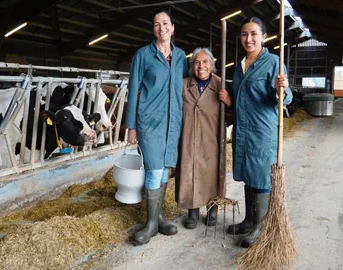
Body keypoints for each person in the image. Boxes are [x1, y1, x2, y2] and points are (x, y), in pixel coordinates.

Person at [218, 17, 292, 248]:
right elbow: (241, 98)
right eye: (244, 34)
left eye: (253, 34)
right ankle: (249, 219)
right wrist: (230, 100)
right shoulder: (240, 65)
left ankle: (260, 226)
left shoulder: (273, 62)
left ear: (264, 37)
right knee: (248, 173)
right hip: (242, 130)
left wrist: (283, 89)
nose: (248, 39)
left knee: (260, 175)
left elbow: (284, 99)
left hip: (262, 130)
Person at [125, 9, 188, 246]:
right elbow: (133, 91)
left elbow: (186, 85)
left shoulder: (181, 56)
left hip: (173, 122)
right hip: (149, 121)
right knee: (153, 169)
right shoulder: (143, 55)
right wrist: (131, 126)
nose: (161, 28)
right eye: (156, 25)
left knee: (163, 170)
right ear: (153, 30)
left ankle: (159, 217)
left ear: (173, 28)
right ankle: (150, 224)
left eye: (165, 24)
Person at [175, 48, 228, 229]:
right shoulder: (183, 85)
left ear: (212, 65)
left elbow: (235, 110)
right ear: (192, 66)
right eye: (197, 62)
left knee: (212, 173)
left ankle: (212, 210)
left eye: (205, 62)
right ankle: (192, 212)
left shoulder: (221, 85)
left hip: (211, 137)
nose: (201, 66)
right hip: (189, 136)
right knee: (190, 172)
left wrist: (228, 101)